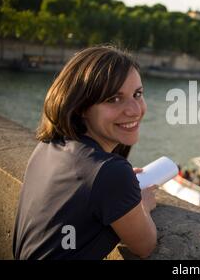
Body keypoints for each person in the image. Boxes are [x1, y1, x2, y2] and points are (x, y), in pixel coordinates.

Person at [13, 46, 157, 260]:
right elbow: (146, 246)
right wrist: (143, 202)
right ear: (81, 106)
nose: (135, 110)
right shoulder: (110, 172)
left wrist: (122, 192)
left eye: (137, 94)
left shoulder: (48, 146)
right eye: (114, 99)